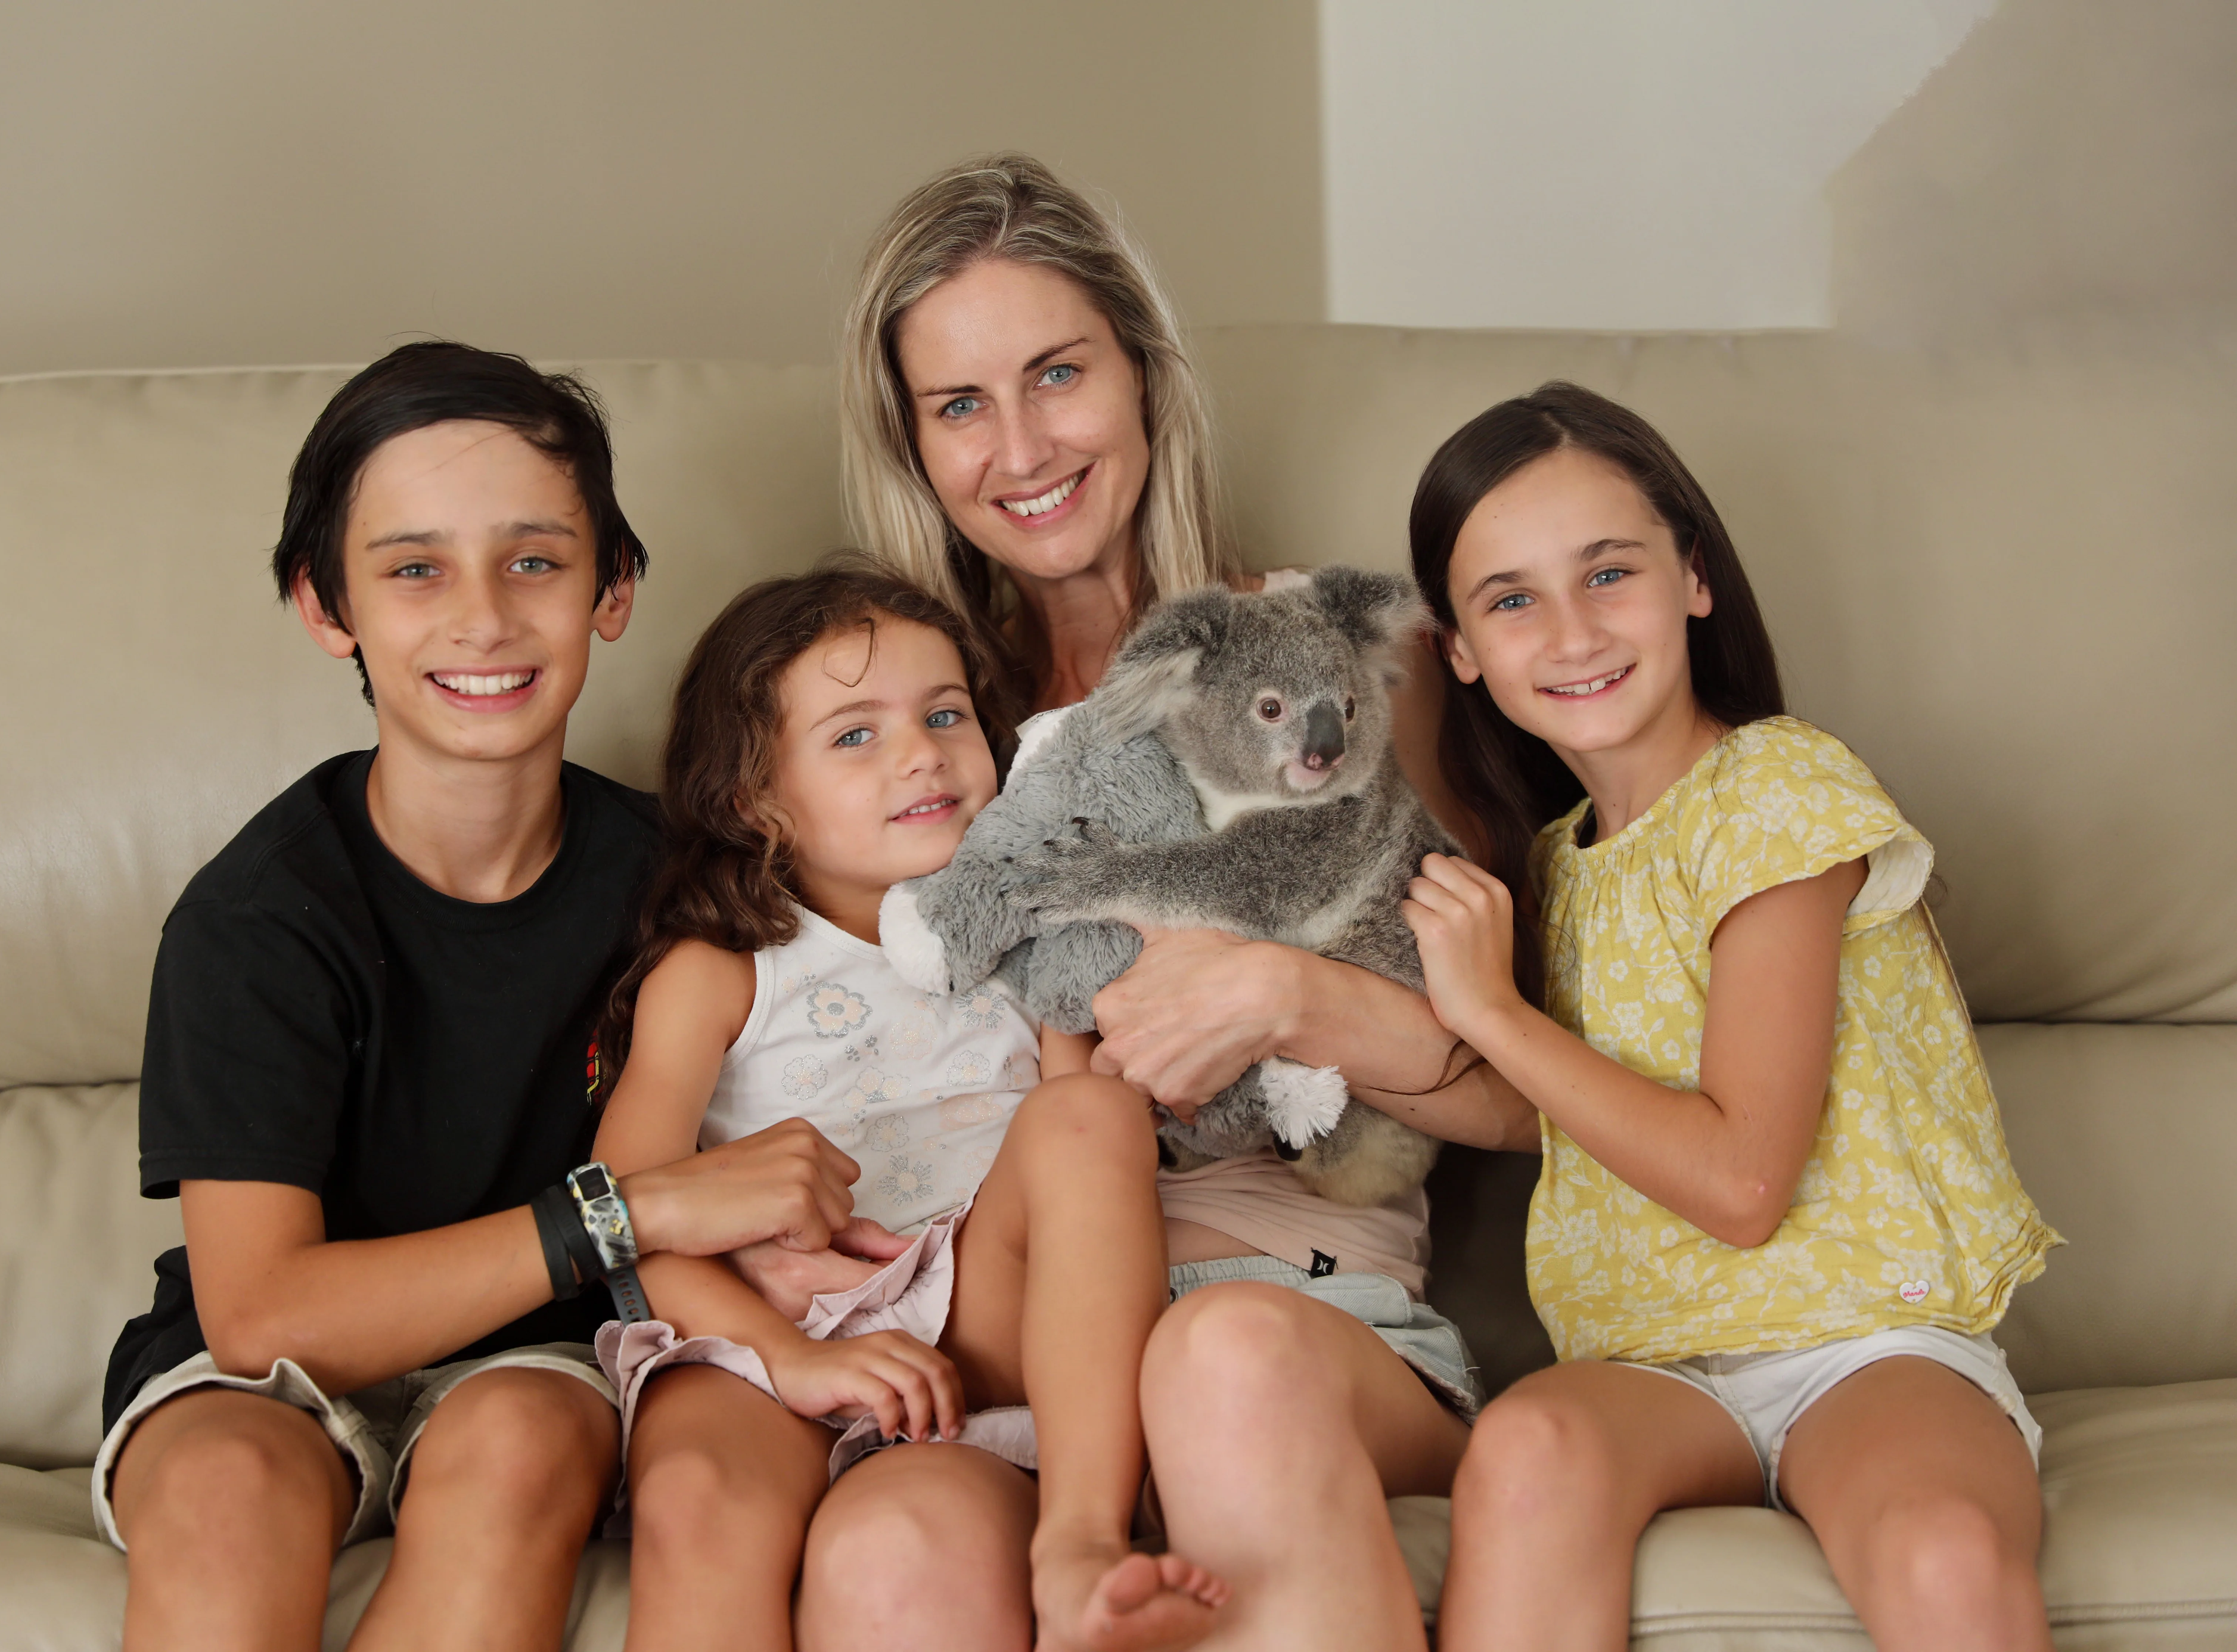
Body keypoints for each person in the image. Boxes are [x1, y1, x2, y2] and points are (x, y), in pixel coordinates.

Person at [807, 152, 1538, 1652]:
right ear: (915, 445)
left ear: (1142, 375)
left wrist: (1295, 995)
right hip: (1012, 1348)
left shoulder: (1320, 674)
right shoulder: (911, 740)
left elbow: (1540, 1107)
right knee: (888, 1541)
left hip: (1293, 1306)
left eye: (1057, 374)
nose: (1021, 446)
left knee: (1221, 1364)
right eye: (960, 405)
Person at [95, 341, 890, 1652]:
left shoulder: (690, 881)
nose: (483, 617)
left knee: (518, 1439)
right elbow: (261, 1318)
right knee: (226, 1483)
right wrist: (623, 1209)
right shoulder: (256, 920)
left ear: (613, 590)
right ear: (325, 605)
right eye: (414, 570)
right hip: (268, 1375)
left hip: (543, 1363)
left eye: (536, 561)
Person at [1395, 382, 2060, 1651]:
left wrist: (1488, 1007)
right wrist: (1291, 1011)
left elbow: (1744, 1180)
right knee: (1529, 1442)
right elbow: (1547, 1111)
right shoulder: (1555, 864)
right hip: (1651, 1369)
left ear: (1694, 579)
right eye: (1512, 599)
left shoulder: (1782, 790)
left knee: (1944, 1549)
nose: (1575, 631)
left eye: (1610, 572)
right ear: (1464, 651)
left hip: (1867, 1346)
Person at [596, 562, 1230, 1652]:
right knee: (697, 1483)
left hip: (978, 1313)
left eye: (946, 715)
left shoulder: (1026, 948)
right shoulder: (720, 972)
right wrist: (790, 1358)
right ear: (755, 797)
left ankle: (1081, 1533)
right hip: (769, 1332)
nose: (922, 752)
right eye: (854, 735)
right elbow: (625, 1214)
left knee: (1091, 1118)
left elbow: (1089, 1164)